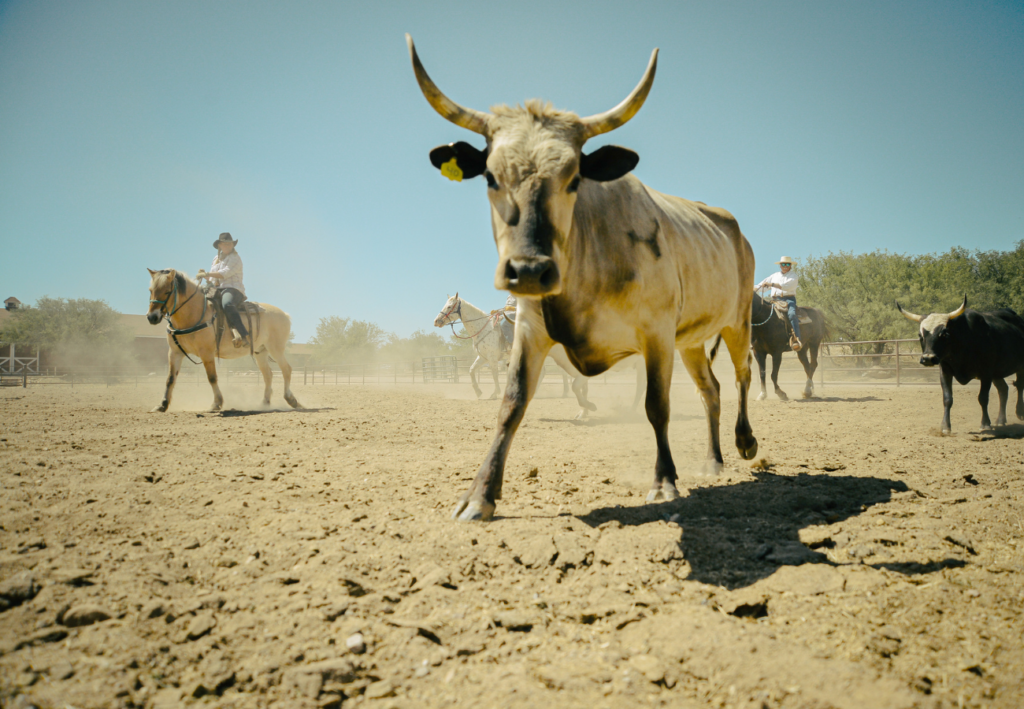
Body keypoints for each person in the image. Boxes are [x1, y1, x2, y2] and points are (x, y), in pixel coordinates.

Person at [201, 232, 249, 348]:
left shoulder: (235, 258)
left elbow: (224, 274)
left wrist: (207, 273)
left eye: (229, 244)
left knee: (227, 304)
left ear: (233, 245)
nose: (227, 246)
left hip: (233, 289)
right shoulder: (215, 259)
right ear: (220, 246)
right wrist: (206, 278)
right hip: (217, 289)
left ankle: (244, 335)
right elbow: (213, 278)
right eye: (224, 244)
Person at [754, 256, 802, 351]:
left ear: (790, 266)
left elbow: (786, 286)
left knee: (792, 314)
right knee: (761, 313)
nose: (785, 266)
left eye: (787, 264)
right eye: (783, 264)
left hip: (789, 299)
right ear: (780, 265)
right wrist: (753, 289)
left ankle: (796, 338)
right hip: (775, 300)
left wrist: (771, 284)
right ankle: (756, 339)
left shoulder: (793, 276)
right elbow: (761, 285)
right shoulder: (774, 276)